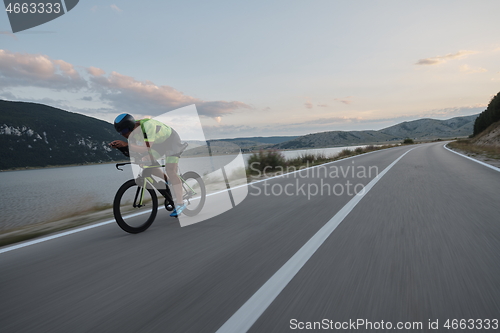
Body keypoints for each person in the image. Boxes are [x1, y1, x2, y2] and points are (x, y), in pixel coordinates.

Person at [109, 113, 186, 217]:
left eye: (124, 131)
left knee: (171, 170)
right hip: (158, 144)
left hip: (171, 141)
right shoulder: (132, 135)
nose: (123, 135)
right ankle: (167, 181)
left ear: (131, 127)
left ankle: (180, 204)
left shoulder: (147, 126)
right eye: (120, 133)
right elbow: (134, 151)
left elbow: (146, 148)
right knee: (145, 162)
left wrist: (126, 144)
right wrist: (120, 147)